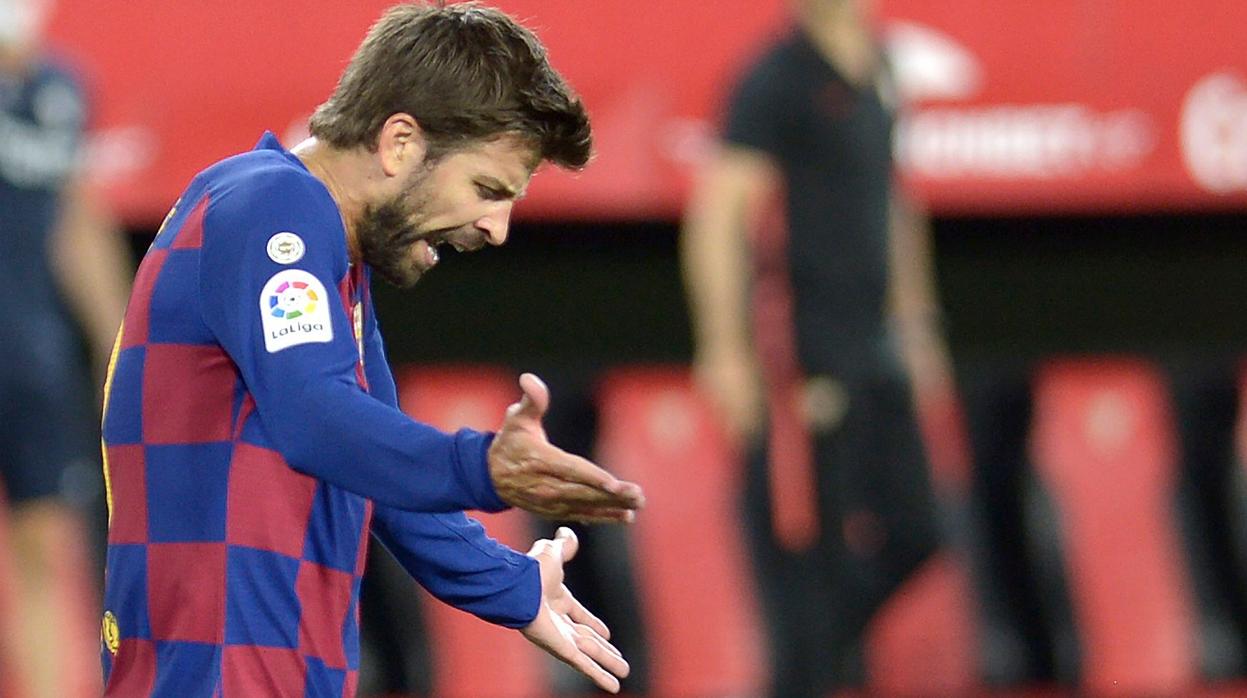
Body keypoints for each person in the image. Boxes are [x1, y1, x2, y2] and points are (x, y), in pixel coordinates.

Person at [98, 3, 643, 695]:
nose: (498, 227)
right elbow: (316, 417)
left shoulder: (330, 258)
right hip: (218, 676)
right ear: (400, 144)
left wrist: (509, 583)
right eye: (486, 188)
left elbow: (373, 470)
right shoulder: (273, 206)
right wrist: (479, 465)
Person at [681, 0, 950, 695]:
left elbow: (892, 199)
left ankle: (812, 659)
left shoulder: (881, 66)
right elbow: (718, 214)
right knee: (806, 556)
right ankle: (808, 664)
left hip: (875, 347)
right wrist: (724, 350)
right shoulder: (774, 79)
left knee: (918, 530)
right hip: (798, 358)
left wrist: (916, 321)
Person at [0, 0, 132, 695]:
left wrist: (122, 346)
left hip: (33, 359)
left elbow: (76, 219)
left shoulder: (62, 89)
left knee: (47, 545)